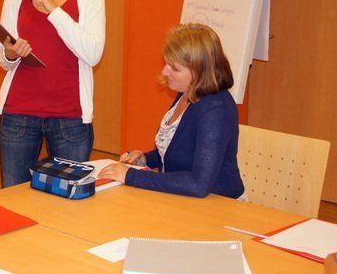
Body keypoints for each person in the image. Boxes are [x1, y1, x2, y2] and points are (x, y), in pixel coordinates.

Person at [0, 0, 106, 187]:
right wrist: (11, 53)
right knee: (13, 197)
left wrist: (53, 9)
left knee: (67, 199)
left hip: (70, 117)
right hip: (18, 113)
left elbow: (92, 54)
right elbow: (1, 58)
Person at [99, 23, 245, 199]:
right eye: (167, 64)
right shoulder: (187, 92)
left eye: (174, 68)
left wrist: (131, 176)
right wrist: (146, 159)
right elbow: (177, 153)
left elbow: (199, 184)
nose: (164, 71)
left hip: (219, 203)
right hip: (182, 197)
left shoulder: (216, 110)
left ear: (200, 71)